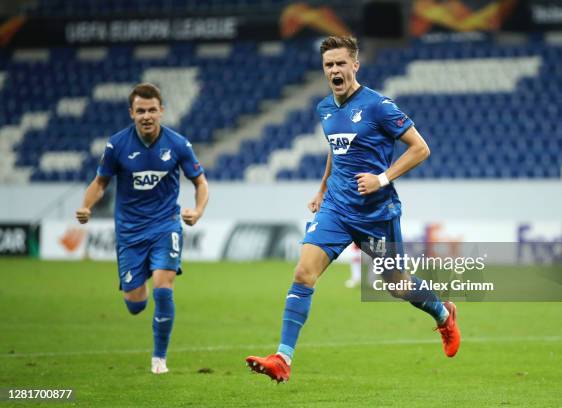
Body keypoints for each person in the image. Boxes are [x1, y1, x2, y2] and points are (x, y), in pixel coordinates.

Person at [246, 36, 460, 383]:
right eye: (329, 65)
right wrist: (322, 188)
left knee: (397, 285)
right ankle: (282, 359)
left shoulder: (379, 106)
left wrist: (382, 178)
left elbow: (421, 149)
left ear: (355, 65)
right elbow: (337, 147)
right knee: (303, 273)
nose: (334, 70)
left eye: (340, 63)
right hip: (337, 209)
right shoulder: (324, 109)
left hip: (377, 214)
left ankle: (442, 312)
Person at [76, 83, 209, 374]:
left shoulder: (178, 144)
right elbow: (101, 182)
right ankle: (141, 279)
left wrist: (197, 211)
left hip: (166, 226)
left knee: (164, 288)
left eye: (151, 110)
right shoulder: (117, 145)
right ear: (131, 113)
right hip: (130, 233)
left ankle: (159, 358)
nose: (146, 116)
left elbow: (200, 182)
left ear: (161, 111)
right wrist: (86, 206)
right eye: (140, 111)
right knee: (135, 304)